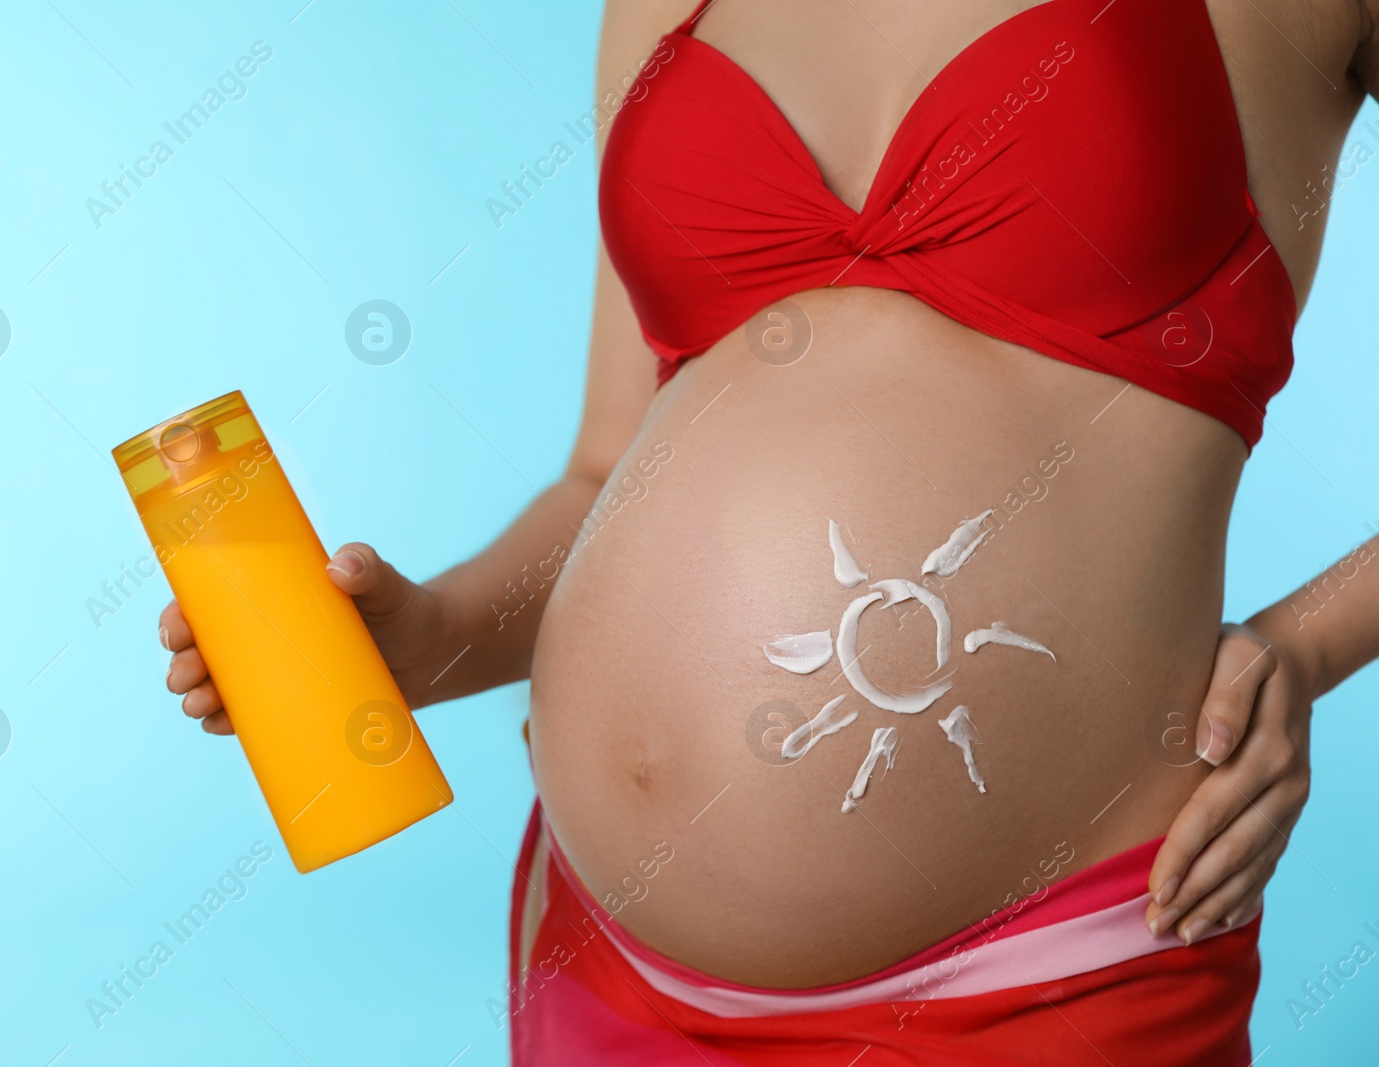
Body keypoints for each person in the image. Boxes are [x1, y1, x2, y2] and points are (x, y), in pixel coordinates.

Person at [161, 0, 1379, 1060]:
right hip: (605, 958)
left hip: (1043, 972)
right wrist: (422, 637)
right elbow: (601, 476)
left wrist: (1304, 645)